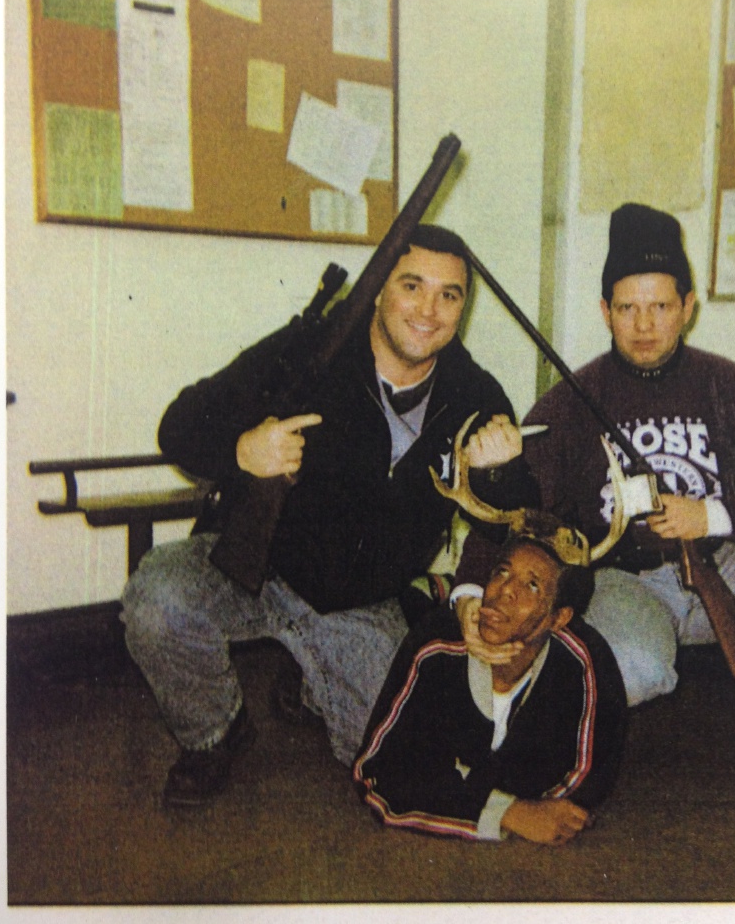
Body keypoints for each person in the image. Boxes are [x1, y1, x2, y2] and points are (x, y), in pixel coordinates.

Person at [460, 203, 735, 807]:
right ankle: (531, 741)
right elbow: (514, 515)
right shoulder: (571, 401)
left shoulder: (730, 387)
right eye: (627, 307)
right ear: (605, 311)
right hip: (622, 585)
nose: (644, 325)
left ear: (688, 306)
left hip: (725, 566)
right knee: (636, 670)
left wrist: (714, 516)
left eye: (660, 306)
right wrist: (471, 594)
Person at [121, 224, 535, 808]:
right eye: (411, 285)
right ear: (378, 288)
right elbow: (180, 424)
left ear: (463, 308)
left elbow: (510, 520)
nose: (428, 310)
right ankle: (214, 734)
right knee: (156, 599)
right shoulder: (310, 349)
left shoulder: (476, 394)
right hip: (257, 570)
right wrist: (242, 450)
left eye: (449, 295)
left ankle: (309, 685)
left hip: (364, 603)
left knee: (397, 757)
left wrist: (499, 475)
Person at [354, 514, 627, 845]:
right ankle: (425, 594)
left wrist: (453, 776)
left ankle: (434, 588)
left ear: (559, 618)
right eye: (502, 572)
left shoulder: (585, 660)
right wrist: (507, 811)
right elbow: (376, 774)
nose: (506, 590)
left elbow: (586, 781)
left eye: (532, 585)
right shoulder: (436, 646)